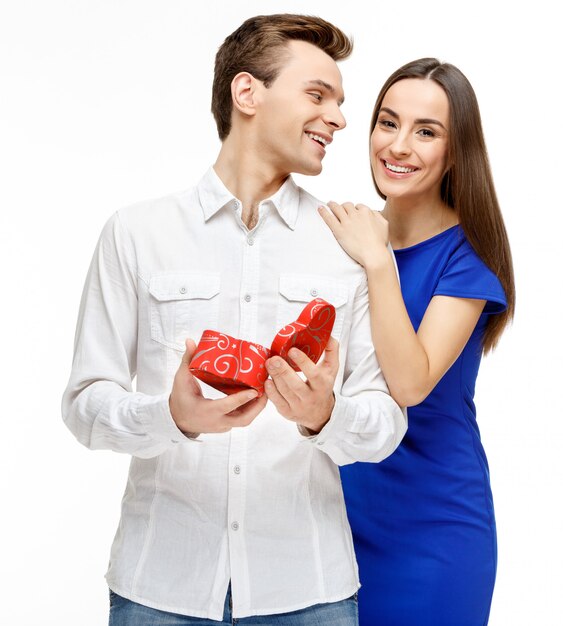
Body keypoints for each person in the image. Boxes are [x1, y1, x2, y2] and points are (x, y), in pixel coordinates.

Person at [62, 14, 406, 626]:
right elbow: (86, 405)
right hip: (159, 589)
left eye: (340, 101)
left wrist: (325, 415)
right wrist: (171, 417)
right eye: (317, 94)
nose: (340, 118)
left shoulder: (349, 244)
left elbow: (384, 421)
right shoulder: (137, 233)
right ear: (246, 93)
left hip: (309, 593)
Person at [320, 58, 515, 626]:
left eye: (425, 132)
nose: (398, 145)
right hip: (334, 519)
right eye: (387, 123)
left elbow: (409, 382)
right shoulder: (339, 237)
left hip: (434, 530)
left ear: (456, 152)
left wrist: (378, 261)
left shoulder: (465, 258)